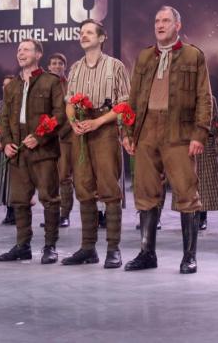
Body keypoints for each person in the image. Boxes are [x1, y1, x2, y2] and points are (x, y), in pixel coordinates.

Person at [122, 6, 211, 274]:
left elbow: (204, 98)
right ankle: (147, 254)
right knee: (146, 192)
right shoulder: (145, 56)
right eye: (157, 20)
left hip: (179, 132)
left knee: (186, 192)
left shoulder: (193, 55)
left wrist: (199, 133)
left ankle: (189, 256)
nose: (160, 25)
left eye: (166, 21)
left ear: (177, 26)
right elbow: (133, 98)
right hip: (147, 131)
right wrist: (128, 132)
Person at [61, 19, 130, 269]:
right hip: (81, 130)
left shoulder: (115, 66)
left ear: (102, 38)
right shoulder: (76, 68)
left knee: (109, 188)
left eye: (89, 32)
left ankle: (114, 248)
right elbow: (69, 102)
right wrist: (73, 123)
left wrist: (99, 122)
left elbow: (124, 104)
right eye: (81, 32)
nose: (84, 35)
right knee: (83, 186)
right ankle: (88, 248)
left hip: (104, 128)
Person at [0, 39, 66, 264]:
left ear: (38, 54)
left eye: (26, 49)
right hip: (17, 150)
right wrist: (6, 142)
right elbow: (5, 118)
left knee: (49, 198)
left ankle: (50, 246)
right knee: (19, 200)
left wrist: (40, 137)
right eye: (18, 50)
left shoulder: (51, 81)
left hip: (43, 150)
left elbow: (59, 114)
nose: (21, 53)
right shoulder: (12, 86)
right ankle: (22, 245)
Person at [47, 52, 73, 227]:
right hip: (47, 138)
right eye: (53, 63)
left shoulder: (70, 85)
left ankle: (65, 214)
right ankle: (53, 214)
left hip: (65, 137)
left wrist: (61, 131)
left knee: (64, 176)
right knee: (49, 177)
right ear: (48, 67)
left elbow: (72, 113)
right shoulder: (43, 84)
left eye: (60, 63)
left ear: (65, 66)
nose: (57, 66)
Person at [194, 95, 218, 230]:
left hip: (205, 141)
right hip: (186, 142)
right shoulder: (185, 96)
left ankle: (202, 216)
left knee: (205, 182)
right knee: (187, 180)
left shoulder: (210, 98)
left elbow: (215, 120)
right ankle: (190, 214)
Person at [0, 75, 15, 225]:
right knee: (3, 181)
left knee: (13, 182)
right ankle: (9, 211)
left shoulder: (19, 104)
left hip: (14, 147)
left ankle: (16, 212)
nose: (6, 87)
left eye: (9, 85)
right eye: (4, 85)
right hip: (0, 149)